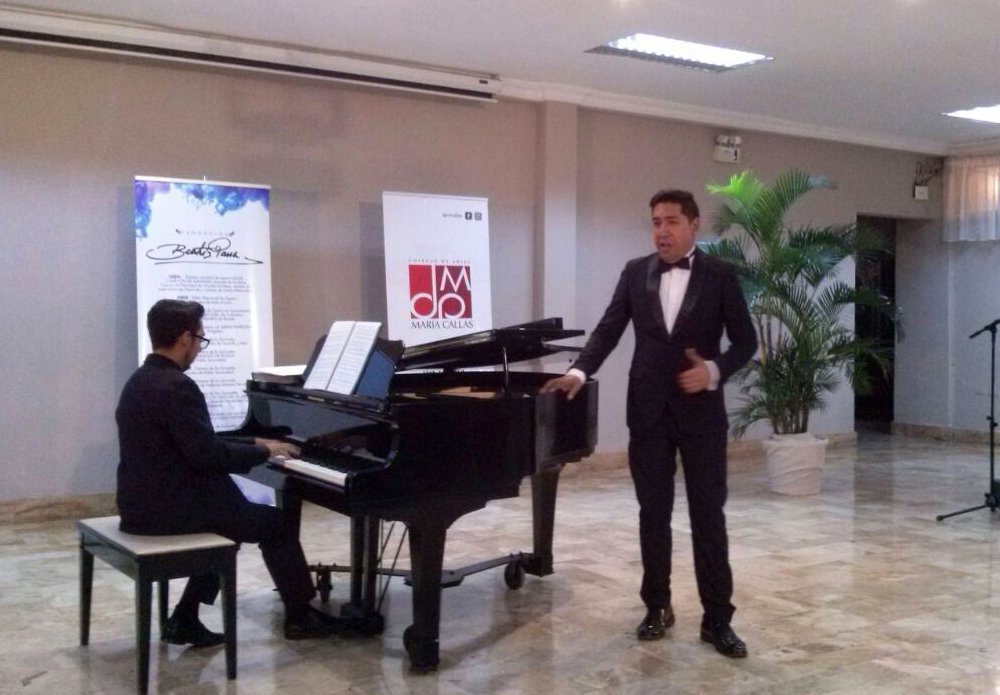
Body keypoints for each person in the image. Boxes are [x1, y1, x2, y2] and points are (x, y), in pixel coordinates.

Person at [541, 190, 756, 658]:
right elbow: (608, 329)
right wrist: (578, 372)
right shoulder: (635, 272)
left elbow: (746, 342)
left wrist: (713, 370)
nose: (662, 231)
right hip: (648, 414)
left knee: (708, 516)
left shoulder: (721, 275)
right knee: (652, 514)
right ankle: (657, 606)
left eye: (672, 221)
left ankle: (717, 619)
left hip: (702, 416)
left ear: (694, 225)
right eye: (656, 222)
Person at [116, 298, 339, 646]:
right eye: (200, 339)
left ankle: (185, 618)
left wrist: (254, 440)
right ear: (185, 338)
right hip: (167, 511)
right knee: (275, 525)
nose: (199, 348)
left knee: (233, 518)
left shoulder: (142, 380)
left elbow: (194, 441)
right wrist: (264, 450)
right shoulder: (177, 386)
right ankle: (300, 616)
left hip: (140, 504)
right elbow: (207, 455)